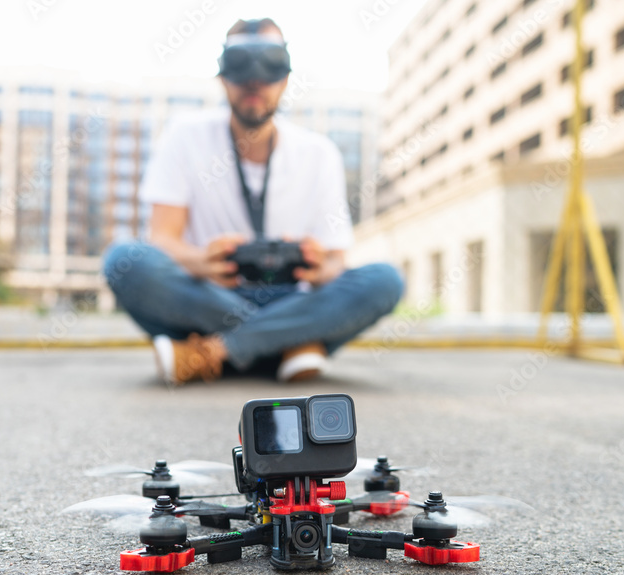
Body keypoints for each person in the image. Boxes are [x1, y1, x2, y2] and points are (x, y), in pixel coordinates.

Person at [103, 18, 403, 385]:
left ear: (287, 78)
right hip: (212, 297)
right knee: (124, 262)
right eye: (240, 63)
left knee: (385, 280)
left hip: (293, 298)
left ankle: (212, 353)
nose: (255, 80)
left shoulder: (318, 153)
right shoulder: (184, 137)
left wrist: (317, 266)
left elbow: (335, 262)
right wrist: (202, 261)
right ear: (222, 75)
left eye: (271, 63)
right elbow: (162, 238)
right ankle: (292, 344)